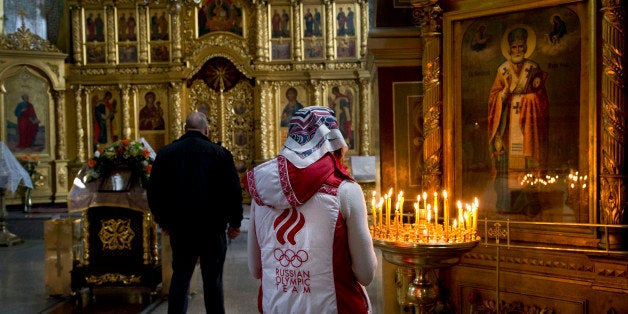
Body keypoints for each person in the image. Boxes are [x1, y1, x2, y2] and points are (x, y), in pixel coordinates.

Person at [243, 106, 377, 313]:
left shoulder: (261, 192)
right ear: (334, 139)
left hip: (276, 306)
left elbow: (255, 269)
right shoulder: (345, 191)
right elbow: (366, 273)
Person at [147, 111, 243, 314]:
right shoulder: (220, 153)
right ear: (206, 130)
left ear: (185, 129)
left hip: (181, 228)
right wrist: (235, 222)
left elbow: (155, 191)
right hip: (213, 228)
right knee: (213, 280)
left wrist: (163, 220)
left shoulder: (166, 153)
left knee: (180, 277)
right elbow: (233, 190)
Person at [487, 27, 549, 211]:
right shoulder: (503, 70)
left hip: (529, 125)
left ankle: (529, 203)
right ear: (509, 48)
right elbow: (493, 97)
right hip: (508, 125)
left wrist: (529, 100)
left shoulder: (533, 67)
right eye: (514, 47)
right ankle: (507, 203)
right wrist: (503, 95)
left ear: (526, 47)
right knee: (506, 165)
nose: (518, 50)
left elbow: (542, 99)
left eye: (521, 46)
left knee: (529, 163)